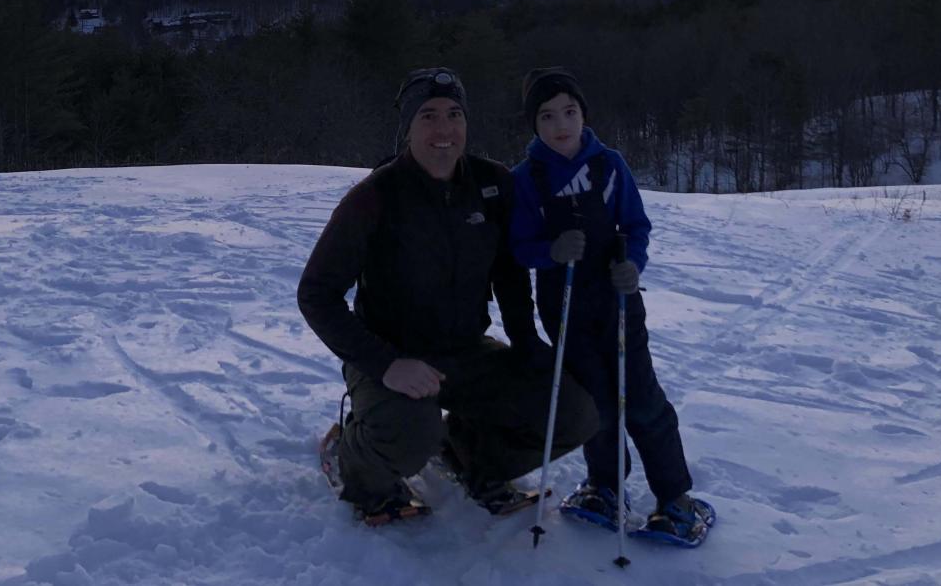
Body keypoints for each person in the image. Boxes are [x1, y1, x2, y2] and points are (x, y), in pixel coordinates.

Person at [297, 67, 599, 525]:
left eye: (454, 114)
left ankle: (471, 457)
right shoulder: (374, 197)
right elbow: (316, 294)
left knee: (571, 409)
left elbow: (511, 275)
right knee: (413, 429)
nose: (444, 129)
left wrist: (526, 344)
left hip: (465, 350)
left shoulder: (492, 184)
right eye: (429, 116)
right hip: (389, 356)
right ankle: (354, 461)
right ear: (408, 129)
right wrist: (386, 365)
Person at [508, 66, 714, 543]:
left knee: (640, 398)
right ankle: (603, 485)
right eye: (547, 116)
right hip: (563, 303)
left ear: (583, 114)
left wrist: (633, 266)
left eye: (570, 111)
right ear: (533, 124)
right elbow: (519, 246)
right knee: (594, 402)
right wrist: (550, 252)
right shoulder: (529, 178)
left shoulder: (608, 165)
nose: (561, 124)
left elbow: (637, 227)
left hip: (617, 302)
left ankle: (674, 496)